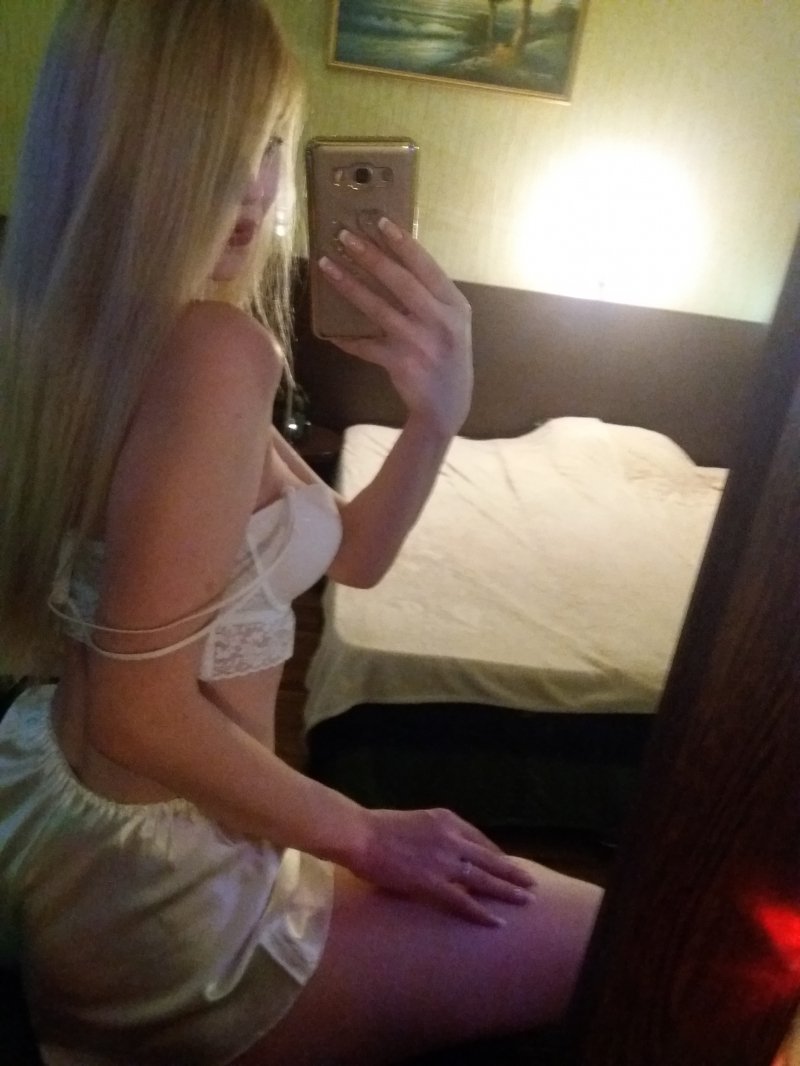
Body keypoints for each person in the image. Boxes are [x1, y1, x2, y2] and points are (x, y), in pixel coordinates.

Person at [0, 2, 602, 1063]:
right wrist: (364, 831)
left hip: (86, 814)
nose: (255, 186)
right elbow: (143, 711)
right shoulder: (212, 351)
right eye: (212, 143)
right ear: (126, 150)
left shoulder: (85, 321)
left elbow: (353, 557)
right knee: (628, 944)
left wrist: (435, 416)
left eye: (270, 141)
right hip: (168, 885)